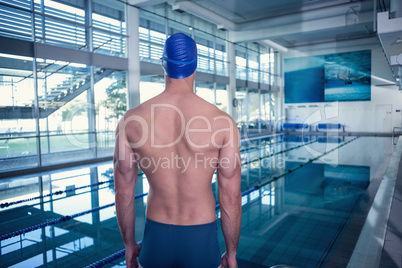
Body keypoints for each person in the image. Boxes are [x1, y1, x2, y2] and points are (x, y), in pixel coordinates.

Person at [114, 33, 242, 268]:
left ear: (164, 64)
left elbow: (123, 194)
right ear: (195, 66)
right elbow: (231, 196)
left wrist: (130, 246)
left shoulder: (131, 120)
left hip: (156, 237)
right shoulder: (222, 122)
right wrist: (231, 252)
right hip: (201, 238)